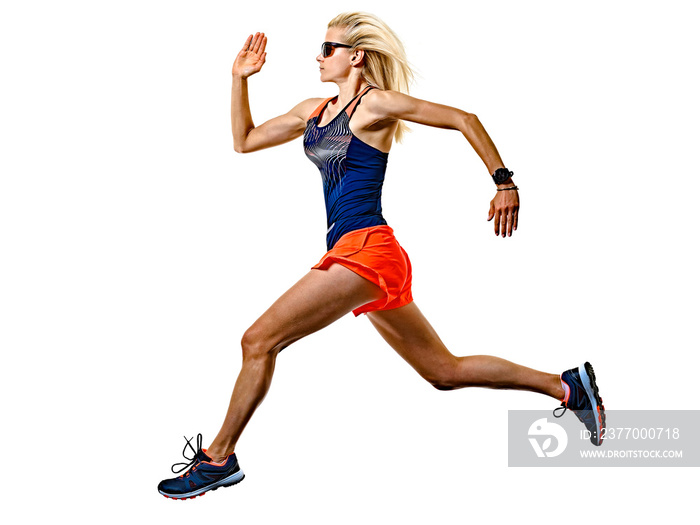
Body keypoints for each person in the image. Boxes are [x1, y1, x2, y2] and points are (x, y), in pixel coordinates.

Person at [157, 12, 605, 500]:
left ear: (357, 56)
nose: (318, 56)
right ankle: (565, 386)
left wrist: (504, 182)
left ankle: (219, 458)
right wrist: (239, 81)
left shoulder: (376, 106)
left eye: (328, 48)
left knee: (257, 340)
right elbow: (244, 141)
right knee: (443, 372)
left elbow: (463, 119)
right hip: (363, 253)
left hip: (365, 252)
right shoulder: (315, 109)